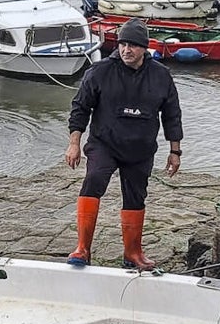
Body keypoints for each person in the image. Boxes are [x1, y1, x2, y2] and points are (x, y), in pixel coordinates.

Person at [64, 18, 183, 271]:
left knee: (136, 197)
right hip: (104, 143)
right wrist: (74, 143)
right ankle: (82, 248)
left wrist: (175, 150)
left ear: (144, 48)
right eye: (122, 44)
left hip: (140, 149)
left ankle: (133, 253)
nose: (126, 50)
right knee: (94, 179)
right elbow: (80, 108)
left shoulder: (161, 76)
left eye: (133, 46)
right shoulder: (99, 71)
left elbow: (172, 114)